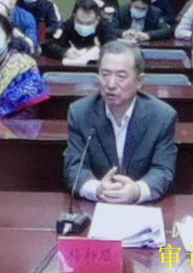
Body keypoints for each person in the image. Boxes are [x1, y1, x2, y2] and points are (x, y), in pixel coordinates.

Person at [63, 41, 178, 203]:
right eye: (105, 74)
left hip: (143, 208)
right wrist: (97, 189)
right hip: (96, 206)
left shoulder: (162, 117)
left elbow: (163, 170)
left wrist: (137, 191)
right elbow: (74, 167)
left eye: (121, 76)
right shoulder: (80, 113)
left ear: (139, 81)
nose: (111, 84)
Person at [43, 0, 118, 60]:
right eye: (80, 22)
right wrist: (65, 52)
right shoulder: (69, 24)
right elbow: (50, 46)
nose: (84, 26)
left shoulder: (105, 26)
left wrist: (100, 52)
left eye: (89, 23)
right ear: (74, 16)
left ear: (98, 19)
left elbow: (114, 48)